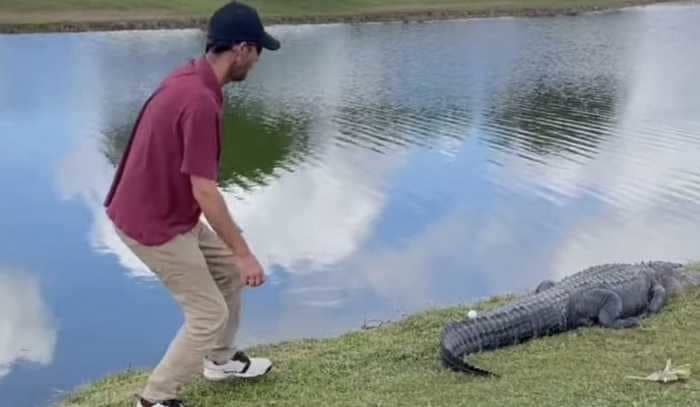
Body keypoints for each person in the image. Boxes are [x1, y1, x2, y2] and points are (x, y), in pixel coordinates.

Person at [103, 2, 281, 407]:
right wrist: (245, 252)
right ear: (241, 49)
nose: (257, 61)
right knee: (207, 315)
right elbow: (205, 190)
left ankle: (219, 362)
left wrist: (236, 258)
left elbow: (193, 186)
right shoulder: (199, 100)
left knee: (229, 275)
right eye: (257, 51)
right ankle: (154, 399)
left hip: (168, 212)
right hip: (153, 224)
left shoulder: (194, 80)